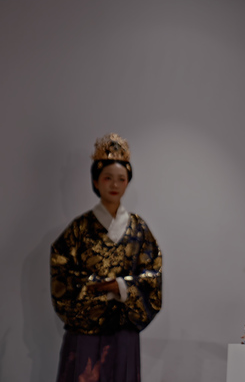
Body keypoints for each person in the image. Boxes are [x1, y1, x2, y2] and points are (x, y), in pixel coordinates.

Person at [51, 133, 162, 382]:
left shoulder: (139, 230)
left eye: (121, 179)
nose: (114, 185)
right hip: (85, 333)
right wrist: (97, 286)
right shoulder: (79, 229)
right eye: (107, 178)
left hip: (123, 332)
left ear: (127, 183)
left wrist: (121, 286)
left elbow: (152, 276)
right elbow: (61, 271)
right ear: (96, 181)